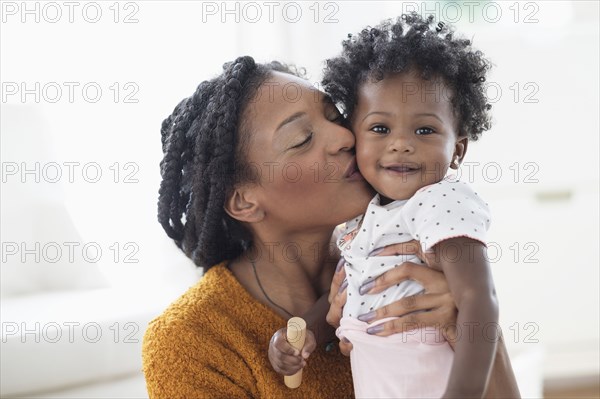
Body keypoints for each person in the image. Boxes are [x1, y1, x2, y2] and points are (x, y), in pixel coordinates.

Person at [142, 55, 518, 397]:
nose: (344, 137)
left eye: (336, 117)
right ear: (244, 202)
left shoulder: (411, 264)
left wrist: (461, 328)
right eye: (302, 139)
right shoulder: (192, 341)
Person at [268, 14, 521, 399]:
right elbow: (351, 288)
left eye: (425, 130)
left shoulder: (439, 201)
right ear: (354, 135)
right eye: (380, 128)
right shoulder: (361, 214)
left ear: (458, 150)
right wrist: (301, 334)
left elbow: (478, 301)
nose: (401, 144)